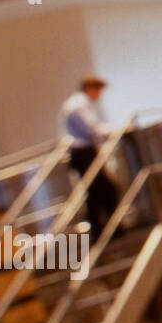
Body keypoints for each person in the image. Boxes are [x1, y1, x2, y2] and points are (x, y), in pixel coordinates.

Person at [59, 75, 118, 240]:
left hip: (82, 153)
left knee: (95, 192)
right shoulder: (79, 103)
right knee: (105, 190)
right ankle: (110, 231)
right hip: (83, 153)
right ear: (91, 89)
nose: (98, 96)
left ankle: (102, 231)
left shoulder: (75, 103)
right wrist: (114, 130)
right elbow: (91, 128)